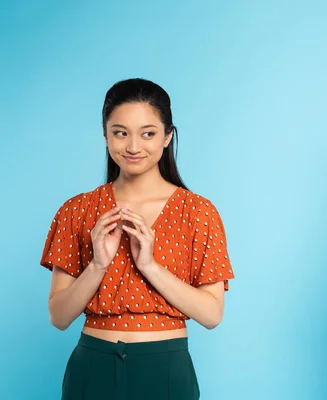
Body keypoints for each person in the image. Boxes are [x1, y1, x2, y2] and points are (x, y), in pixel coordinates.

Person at [40, 78, 234, 400]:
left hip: (166, 368)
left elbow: (211, 314)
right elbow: (58, 316)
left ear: (168, 136)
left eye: (148, 133)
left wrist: (150, 265)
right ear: (105, 135)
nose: (132, 147)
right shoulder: (77, 210)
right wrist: (98, 265)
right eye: (120, 132)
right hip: (93, 366)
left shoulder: (197, 212)